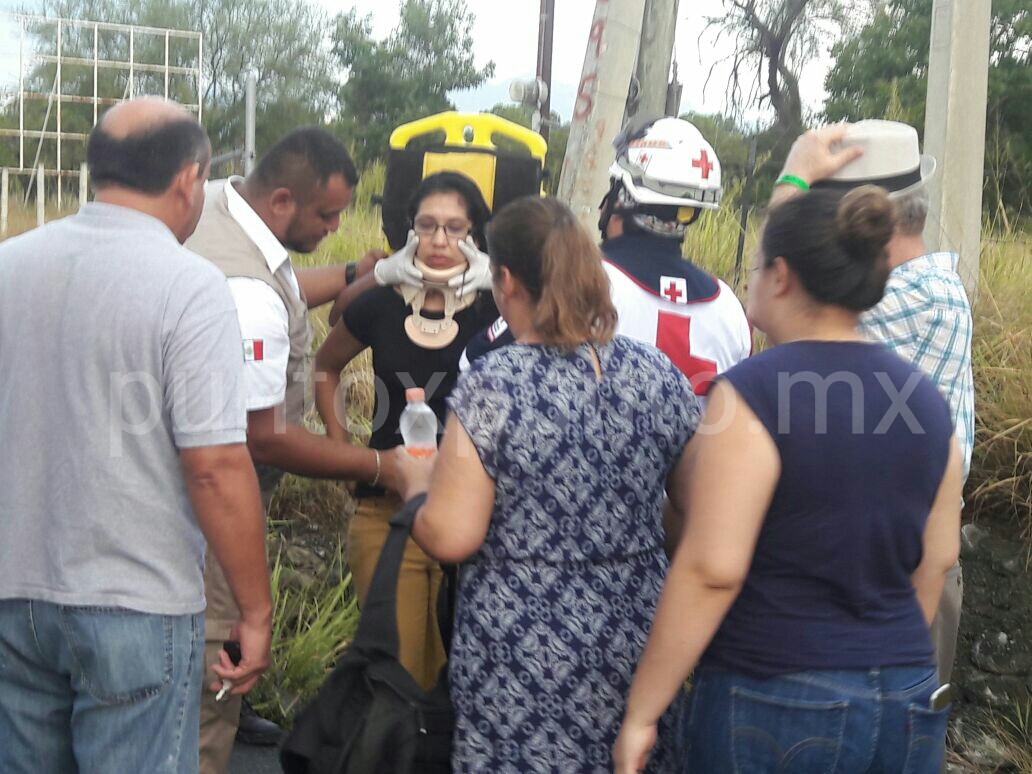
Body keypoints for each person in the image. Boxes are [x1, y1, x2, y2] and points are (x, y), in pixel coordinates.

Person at [614, 174, 963, 773]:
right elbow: (936, 559)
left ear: (781, 275)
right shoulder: (926, 398)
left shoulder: (755, 394)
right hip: (908, 697)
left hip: (778, 694)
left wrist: (644, 712)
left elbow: (712, 569)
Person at [0, 98, 271, 774]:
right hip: (137, 608)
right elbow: (213, 465)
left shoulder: (9, 266)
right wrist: (255, 610)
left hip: (14, 596)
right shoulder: (190, 288)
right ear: (190, 179)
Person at [393, 196, 702, 772]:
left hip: (521, 643)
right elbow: (691, 511)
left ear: (505, 281)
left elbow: (455, 535)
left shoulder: (495, 383)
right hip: (638, 631)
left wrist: (415, 489)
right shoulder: (656, 372)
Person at [184, 127, 407, 772]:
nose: (337, 227)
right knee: (213, 671)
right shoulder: (245, 290)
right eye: (327, 215)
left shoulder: (224, 204)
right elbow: (267, 437)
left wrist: (354, 276)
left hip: (173, 501)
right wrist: (376, 463)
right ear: (282, 201)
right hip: (217, 505)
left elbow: (277, 286)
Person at [773, 120, 974, 688]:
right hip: (913, 560)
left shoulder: (906, 297)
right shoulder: (937, 288)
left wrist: (794, 176)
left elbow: (778, 287)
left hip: (888, 570)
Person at [313, 171, 500, 690]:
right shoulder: (379, 302)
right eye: (428, 225)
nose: (440, 240)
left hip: (484, 522)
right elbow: (325, 366)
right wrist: (340, 446)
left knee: (467, 680)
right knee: (398, 676)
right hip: (388, 512)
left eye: (455, 228)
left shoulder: (500, 310)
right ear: (411, 230)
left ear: (477, 235)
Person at [458, 117, 751, 388]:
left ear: (623, 197)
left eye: (612, 188)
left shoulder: (578, 279)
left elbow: (475, 362)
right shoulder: (729, 307)